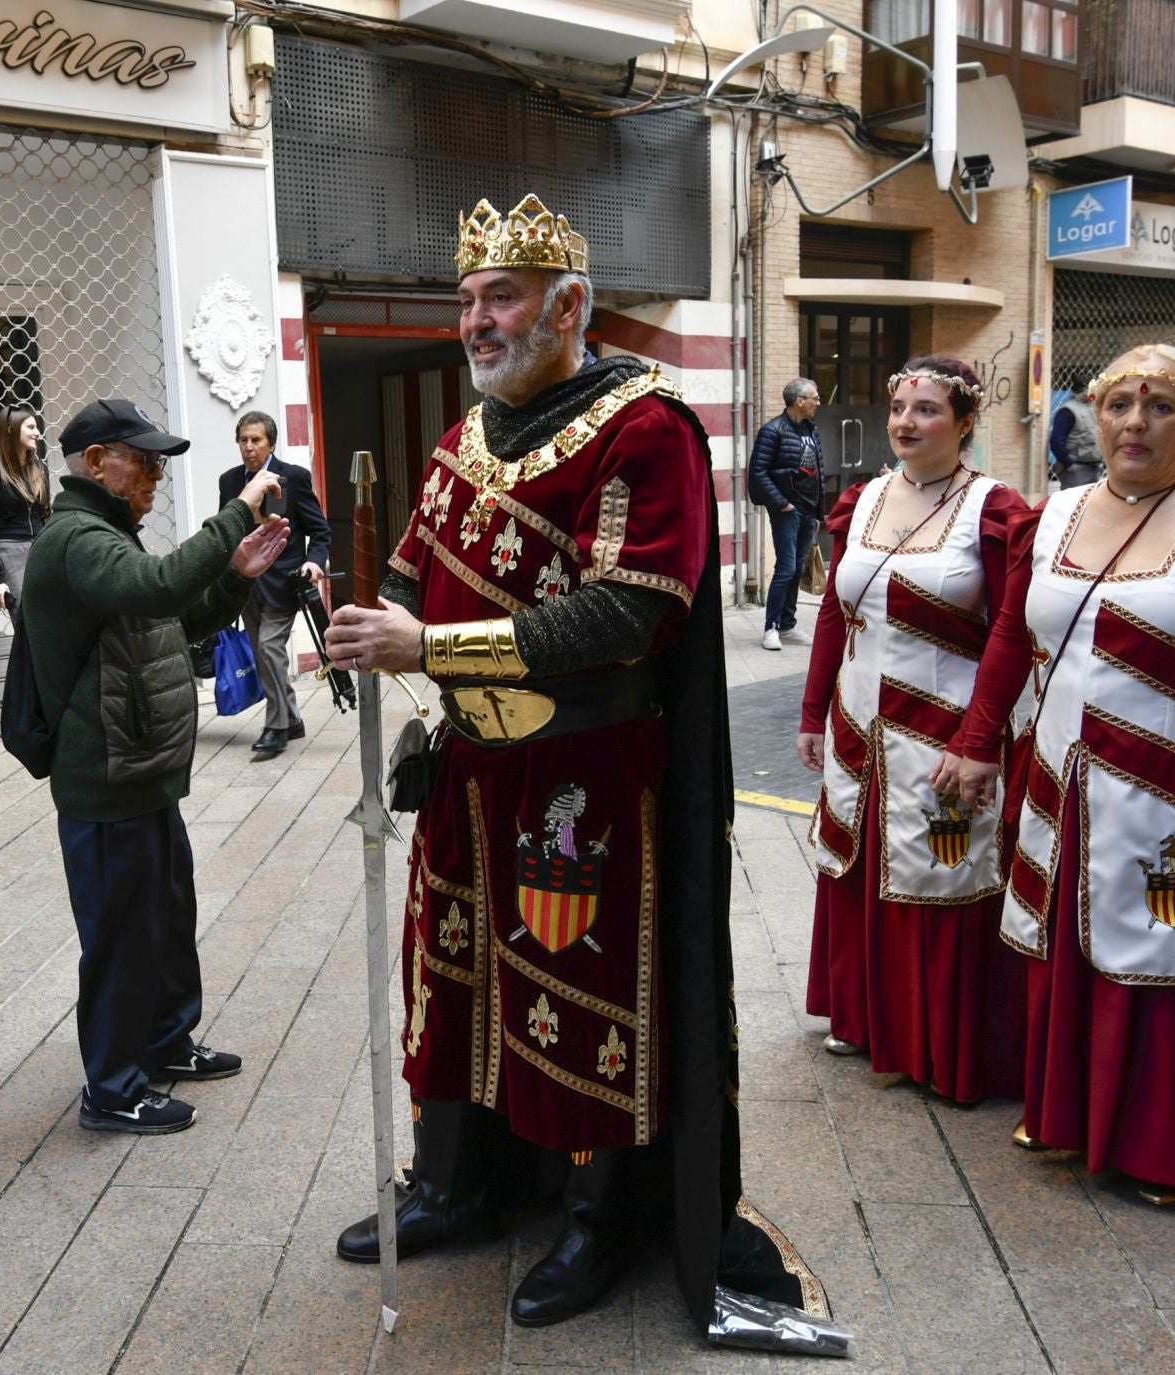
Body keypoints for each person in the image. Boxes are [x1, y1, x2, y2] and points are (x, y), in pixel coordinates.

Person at [324, 194, 824, 1332]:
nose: (476, 321)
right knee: (450, 979)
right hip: (468, 771)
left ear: (570, 306)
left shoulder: (647, 428)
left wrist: (429, 643)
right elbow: (408, 576)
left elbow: (630, 613)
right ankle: (456, 1181)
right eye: (465, 300)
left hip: (585, 782)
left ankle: (603, 1214)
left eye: (499, 297)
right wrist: (355, 621)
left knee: (583, 993)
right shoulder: (462, 439)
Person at [939, 343, 1175, 1204]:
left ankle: (1167, 1147)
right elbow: (1008, 636)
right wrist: (976, 738)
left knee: (1166, 950)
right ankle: (1069, 1113)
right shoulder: (1055, 512)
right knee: (1061, 940)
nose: (1134, 424)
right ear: (1093, 414)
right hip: (1062, 773)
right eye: (1118, 405)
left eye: (1161, 407)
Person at [25, 398, 289, 1134]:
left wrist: (235, 576)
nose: (155, 475)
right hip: (106, 778)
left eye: (159, 463)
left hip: (141, 769)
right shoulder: (76, 539)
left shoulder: (109, 534)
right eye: (143, 461)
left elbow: (172, 622)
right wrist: (236, 511)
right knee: (121, 933)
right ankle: (112, 1086)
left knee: (167, 917)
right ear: (97, 461)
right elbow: (160, 586)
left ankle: (166, 1042)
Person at [797, 355, 1029, 1100]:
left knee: (939, 872)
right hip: (858, 719)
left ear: (965, 423)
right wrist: (810, 712)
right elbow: (836, 608)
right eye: (899, 407)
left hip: (943, 727)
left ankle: (936, 1043)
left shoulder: (994, 509)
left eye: (927, 410)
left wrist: (979, 739)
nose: (906, 422)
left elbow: (1012, 632)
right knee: (856, 863)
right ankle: (864, 1017)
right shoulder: (861, 500)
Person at [217, 410, 331, 758]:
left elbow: (320, 531)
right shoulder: (229, 481)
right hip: (245, 587)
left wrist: (314, 561)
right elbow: (225, 531)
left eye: (256, 440)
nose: (248, 447)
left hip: (284, 583)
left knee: (269, 649)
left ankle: (276, 727)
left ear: (271, 443)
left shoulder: (293, 478)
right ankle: (293, 719)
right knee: (264, 654)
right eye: (243, 440)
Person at [749, 377, 823, 652]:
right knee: (786, 568)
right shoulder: (773, 431)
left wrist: (817, 513)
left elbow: (818, 473)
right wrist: (782, 504)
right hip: (787, 512)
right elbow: (757, 472)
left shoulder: (811, 430)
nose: (818, 402)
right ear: (799, 401)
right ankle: (772, 628)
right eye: (814, 397)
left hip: (807, 512)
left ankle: (789, 625)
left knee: (797, 570)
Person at [0, 405, 53, 626]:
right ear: (11, 430)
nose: (37, 433)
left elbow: (46, 515)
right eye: (30, 427)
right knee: (27, 622)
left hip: (42, 549)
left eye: (36, 427)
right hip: (11, 553)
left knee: (52, 619)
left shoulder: (40, 469)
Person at [1047, 375, 1102, 488]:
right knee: (1074, 503)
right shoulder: (1068, 411)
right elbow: (1056, 440)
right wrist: (1068, 464)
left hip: (1094, 466)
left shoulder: (1093, 408)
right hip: (1076, 469)